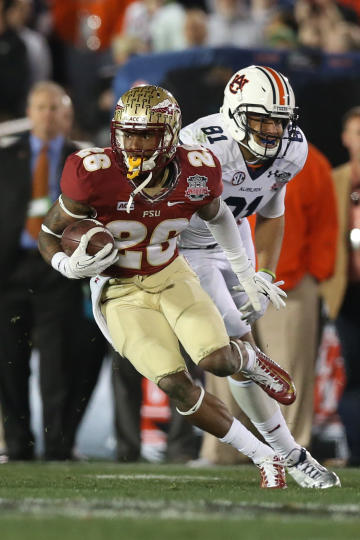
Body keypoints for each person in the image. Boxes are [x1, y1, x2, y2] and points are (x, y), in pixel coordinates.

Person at [39, 84, 300, 488]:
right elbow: (47, 232)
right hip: (119, 292)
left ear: (170, 133)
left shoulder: (196, 167)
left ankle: (248, 360)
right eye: (128, 133)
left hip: (170, 272)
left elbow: (221, 218)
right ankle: (265, 456)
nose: (135, 144)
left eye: (147, 134)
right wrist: (65, 264)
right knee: (176, 386)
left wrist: (245, 270)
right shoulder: (91, 172)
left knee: (215, 360)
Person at [179, 65, 340, 488]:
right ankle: (287, 451)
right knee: (231, 342)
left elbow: (271, 211)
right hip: (181, 245)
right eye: (261, 119)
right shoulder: (201, 145)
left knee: (234, 348)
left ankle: (284, 451)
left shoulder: (292, 150)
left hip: (234, 242)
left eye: (278, 120)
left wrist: (264, 271)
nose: (272, 129)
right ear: (234, 113)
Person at [0, 81, 104, 461]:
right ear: (29, 113)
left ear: (68, 115)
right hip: (8, 273)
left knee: (58, 364)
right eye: (40, 107)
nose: (47, 115)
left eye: (54, 108)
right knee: (8, 363)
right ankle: (17, 445)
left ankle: (59, 445)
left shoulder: (87, 164)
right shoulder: (5, 157)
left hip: (59, 270)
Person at [256, 143, 338, 449]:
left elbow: (326, 223)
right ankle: (224, 450)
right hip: (235, 276)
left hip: (290, 281)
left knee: (289, 372)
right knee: (226, 364)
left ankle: (290, 447)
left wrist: (314, 273)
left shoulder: (312, 162)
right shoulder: (233, 153)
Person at [321, 106, 360, 467]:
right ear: (346, 139)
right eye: (357, 133)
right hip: (346, 292)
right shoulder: (334, 181)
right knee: (354, 375)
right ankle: (357, 453)